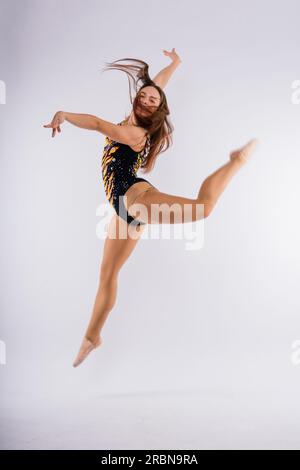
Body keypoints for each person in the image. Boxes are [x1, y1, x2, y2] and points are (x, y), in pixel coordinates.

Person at [43, 48, 259, 367]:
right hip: (121, 209)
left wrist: (65, 114)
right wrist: (175, 64)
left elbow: (98, 124)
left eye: (152, 101)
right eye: (143, 96)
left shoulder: (134, 133)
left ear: (157, 112)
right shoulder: (143, 106)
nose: (146, 99)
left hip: (136, 199)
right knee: (108, 274)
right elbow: (157, 84)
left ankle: (237, 161)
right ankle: (92, 337)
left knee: (203, 209)